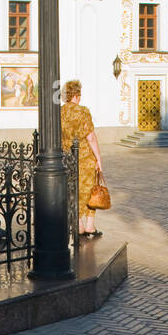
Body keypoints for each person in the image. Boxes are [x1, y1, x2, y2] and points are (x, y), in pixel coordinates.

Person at [60, 79, 106, 240]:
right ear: (77, 95)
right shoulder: (82, 111)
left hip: (68, 157)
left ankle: (78, 225)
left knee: (74, 190)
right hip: (85, 157)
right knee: (90, 190)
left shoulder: (61, 112)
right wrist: (98, 158)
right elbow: (91, 137)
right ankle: (89, 226)